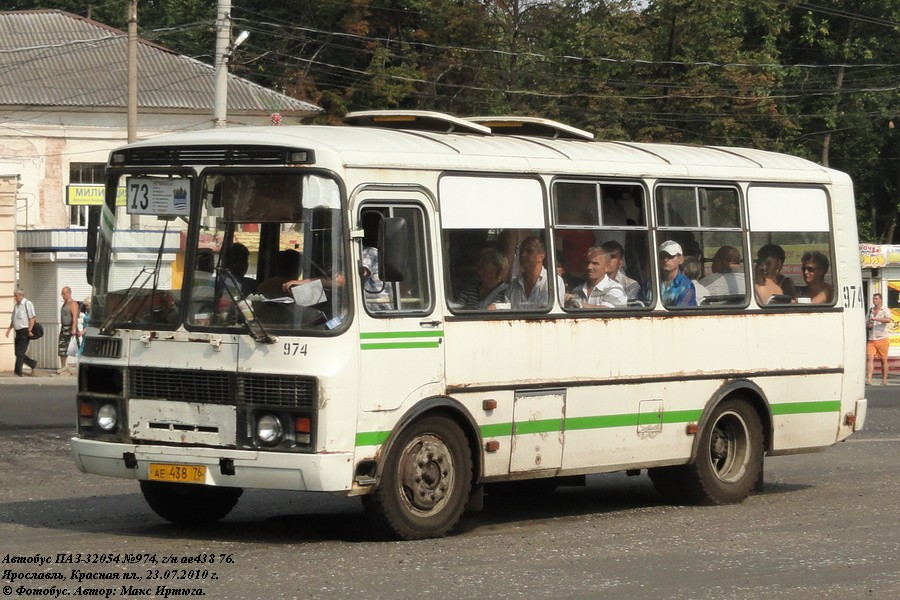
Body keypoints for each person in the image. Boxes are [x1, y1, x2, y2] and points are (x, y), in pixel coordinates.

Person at [508, 236, 564, 309]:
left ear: (541, 256)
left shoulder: (553, 282)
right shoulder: (513, 284)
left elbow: (546, 315)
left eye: (529, 251)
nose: (523, 255)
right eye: (521, 251)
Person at [5, 289, 38, 376]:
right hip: (18, 332)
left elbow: (32, 318)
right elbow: (14, 319)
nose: (14, 297)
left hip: (25, 331)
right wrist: (9, 329)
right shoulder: (16, 306)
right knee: (17, 353)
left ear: (20, 295)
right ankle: (32, 363)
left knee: (20, 353)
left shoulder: (27, 304)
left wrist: (30, 330)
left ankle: (18, 372)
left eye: (15, 295)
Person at [659, 240, 696, 307]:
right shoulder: (649, 284)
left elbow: (681, 313)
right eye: (662, 256)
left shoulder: (686, 285)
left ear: (681, 260)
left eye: (670, 256)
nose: (665, 260)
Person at [866, 293, 892, 385]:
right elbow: (868, 322)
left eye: (876, 299)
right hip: (872, 338)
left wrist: (876, 319)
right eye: (874, 299)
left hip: (882, 338)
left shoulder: (885, 310)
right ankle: (869, 379)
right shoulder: (871, 310)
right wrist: (868, 324)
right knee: (869, 358)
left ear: (880, 300)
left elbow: (888, 320)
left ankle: (884, 380)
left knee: (883, 360)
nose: (874, 301)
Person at [58, 286, 79, 374]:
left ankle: (79, 366)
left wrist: (74, 328)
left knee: (74, 347)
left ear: (69, 293)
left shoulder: (73, 303)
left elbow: (75, 317)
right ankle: (63, 367)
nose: (62, 295)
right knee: (62, 348)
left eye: (64, 293)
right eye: (62, 293)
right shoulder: (64, 304)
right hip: (64, 328)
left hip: (71, 328)